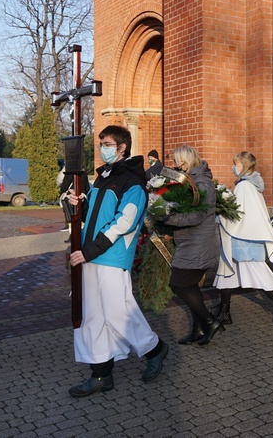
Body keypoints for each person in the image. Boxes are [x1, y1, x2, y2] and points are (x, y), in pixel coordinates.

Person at [66, 125, 168, 398]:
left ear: (122, 147)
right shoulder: (105, 176)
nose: (102, 148)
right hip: (91, 252)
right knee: (92, 315)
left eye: (107, 143)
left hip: (109, 255)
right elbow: (98, 212)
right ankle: (100, 374)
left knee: (117, 312)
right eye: (100, 143)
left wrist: (91, 250)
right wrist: (81, 203)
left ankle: (154, 349)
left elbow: (124, 221)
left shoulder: (132, 180)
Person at [213, 152, 273, 325]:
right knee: (226, 272)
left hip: (244, 240)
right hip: (244, 238)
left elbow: (238, 215)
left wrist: (220, 214)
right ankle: (224, 311)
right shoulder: (250, 185)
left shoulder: (244, 186)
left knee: (260, 275)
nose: (233, 167)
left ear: (243, 165)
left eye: (235, 164)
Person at [163, 145, 222, 346]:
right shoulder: (190, 181)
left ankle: (210, 321)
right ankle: (197, 329)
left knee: (178, 283)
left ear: (185, 163)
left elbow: (197, 215)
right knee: (190, 287)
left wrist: (168, 217)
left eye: (175, 161)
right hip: (190, 242)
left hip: (199, 244)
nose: (173, 165)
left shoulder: (202, 183)